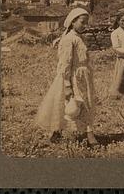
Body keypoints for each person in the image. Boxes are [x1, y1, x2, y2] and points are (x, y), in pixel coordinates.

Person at [35, 8, 98, 145]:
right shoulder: (68, 39)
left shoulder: (78, 37)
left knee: (82, 104)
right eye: (82, 22)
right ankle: (89, 135)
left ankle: (57, 133)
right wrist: (68, 84)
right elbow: (65, 63)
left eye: (86, 23)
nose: (85, 25)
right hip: (73, 77)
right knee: (73, 104)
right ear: (73, 22)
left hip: (83, 76)